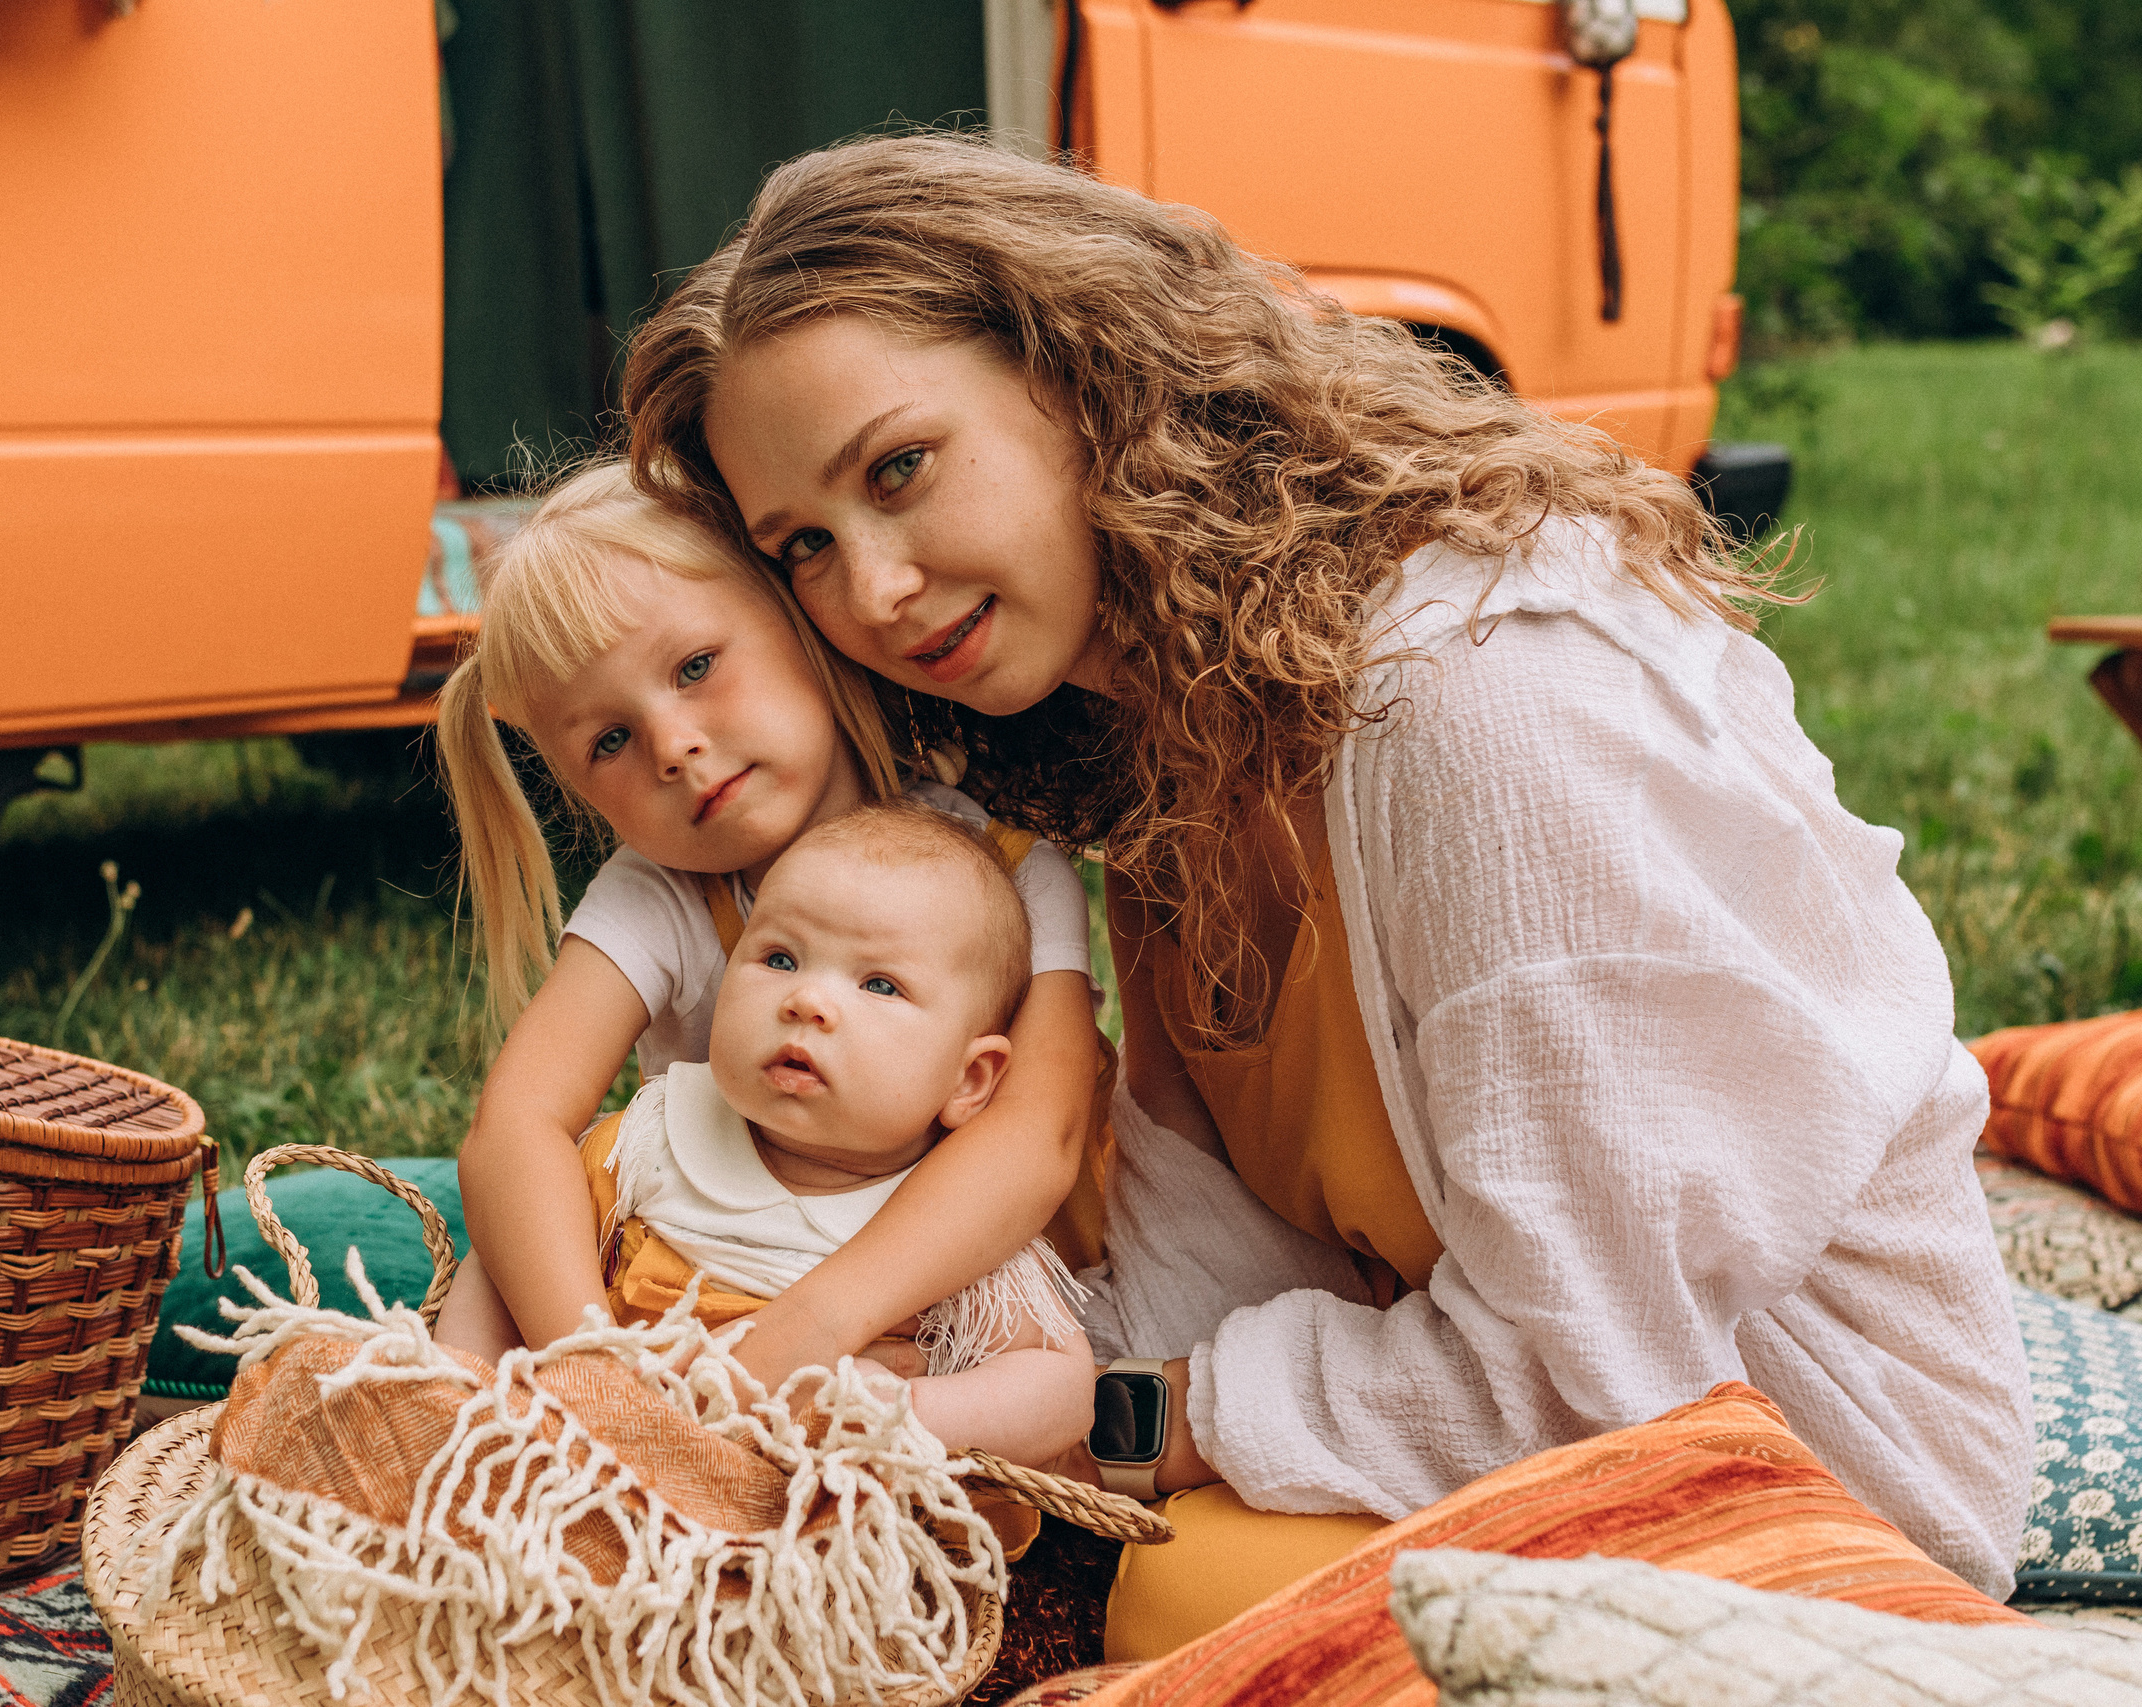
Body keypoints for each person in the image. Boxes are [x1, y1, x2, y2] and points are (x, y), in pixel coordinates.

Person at [619, 132, 2033, 1653]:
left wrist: (1122, 1421)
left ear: (1084, 373)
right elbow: (1212, 1247)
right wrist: (910, 1373)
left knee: (1171, 1593)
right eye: (807, 547)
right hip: (1472, 1412)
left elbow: (1601, 1358)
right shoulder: (1163, 734)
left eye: (899, 469)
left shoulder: (1485, 693)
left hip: (1795, 1477)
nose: (874, 589)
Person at [430, 461, 1107, 1418]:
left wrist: (814, 1328)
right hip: (693, 1282)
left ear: (800, 621)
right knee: (490, 1235)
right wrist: (601, 1370)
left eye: (696, 667)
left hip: (915, 1314)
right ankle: (452, 1438)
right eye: (609, 742)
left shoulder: (1006, 874)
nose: (672, 744)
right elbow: (514, 1130)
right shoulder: (663, 893)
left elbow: (1042, 1136)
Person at [438, 799, 1097, 1473]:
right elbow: (501, 1256)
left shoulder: (960, 1222)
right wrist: (475, 1396)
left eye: (879, 983)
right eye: (780, 957)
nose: (807, 1000)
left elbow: (1062, 1391)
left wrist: (902, 1408)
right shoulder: (653, 1140)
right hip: (606, 1472)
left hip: (829, 1520)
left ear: (968, 1079)